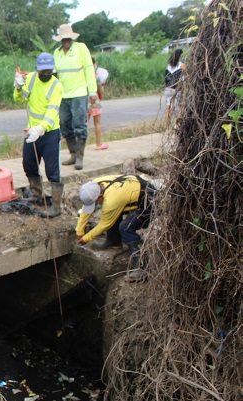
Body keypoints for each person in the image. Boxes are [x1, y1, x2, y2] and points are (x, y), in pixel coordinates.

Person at [76, 174, 157, 282]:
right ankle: (114, 242)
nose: (95, 205)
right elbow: (86, 209)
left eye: (96, 202)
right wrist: (79, 230)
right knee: (112, 213)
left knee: (125, 227)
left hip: (150, 201)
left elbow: (105, 224)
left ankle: (142, 267)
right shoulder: (96, 184)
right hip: (132, 192)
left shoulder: (111, 201)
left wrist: (86, 238)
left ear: (100, 197)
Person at [13, 52, 64, 218]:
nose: (45, 74)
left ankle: (56, 207)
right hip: (31, 131)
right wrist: (18, 87)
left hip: (49, 133)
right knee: (29, 164)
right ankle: (36, 195)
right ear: (37, 69)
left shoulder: (57, 86)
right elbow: (19, 100)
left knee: (52, 170)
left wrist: (40, 129)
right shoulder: (31, 79)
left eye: (48, 71)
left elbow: (51, 112)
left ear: (53, 69)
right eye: (42, 71)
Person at [53, 24, 98, 171]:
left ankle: (80, 156)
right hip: (63, 96)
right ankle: (72, 154)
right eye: (63, 38)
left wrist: (92, 91)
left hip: (79, 94)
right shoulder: (57, 53)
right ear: (60, 39)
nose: (66, 41)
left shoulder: (81, 48)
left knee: (79, 126)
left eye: (68, 38)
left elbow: (89, 70)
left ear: (72, 38)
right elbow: (54, 75)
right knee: (65, 126)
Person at [89, 58, 109, 150]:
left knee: (83, 124)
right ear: (94, 64)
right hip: (94, 98)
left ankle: (78, 147)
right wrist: (101, 95)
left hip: (82, 98)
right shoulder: (95, 74)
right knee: (97, 123)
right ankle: (99, 144)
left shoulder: (81, 74)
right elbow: (100, 88)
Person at [164, 49, 185, 126]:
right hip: (177, 89)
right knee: (181, 107)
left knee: (168, 107)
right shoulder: (182, 65)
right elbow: (188, 75)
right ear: (180, 56)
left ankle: (166, 126)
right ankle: (179, 125)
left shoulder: (168, 65)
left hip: (168, 89)